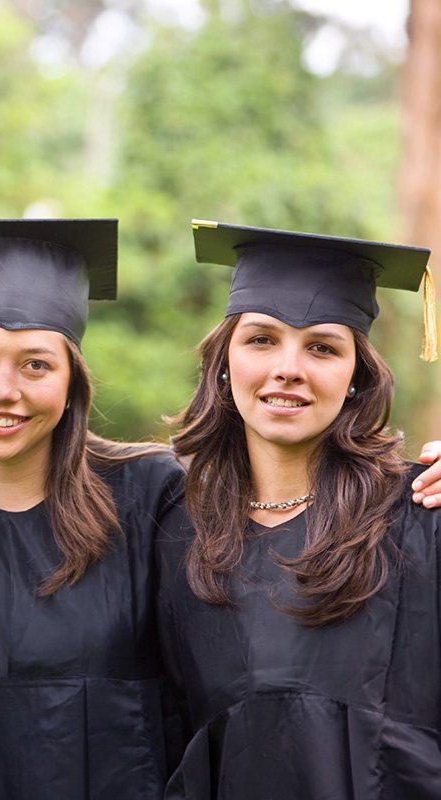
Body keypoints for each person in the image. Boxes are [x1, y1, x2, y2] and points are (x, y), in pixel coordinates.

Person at [0, 218, 185, 799]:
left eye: (36, 364)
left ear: (72, 381)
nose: (2, 389)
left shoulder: (152, 500)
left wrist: (405, 476)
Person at [159, 220, 441, 798]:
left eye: (322, 347)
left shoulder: (423, 513)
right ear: (223, 363)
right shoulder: (174, 535)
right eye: (261, 338)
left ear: (356, 379)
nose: (289, 368)